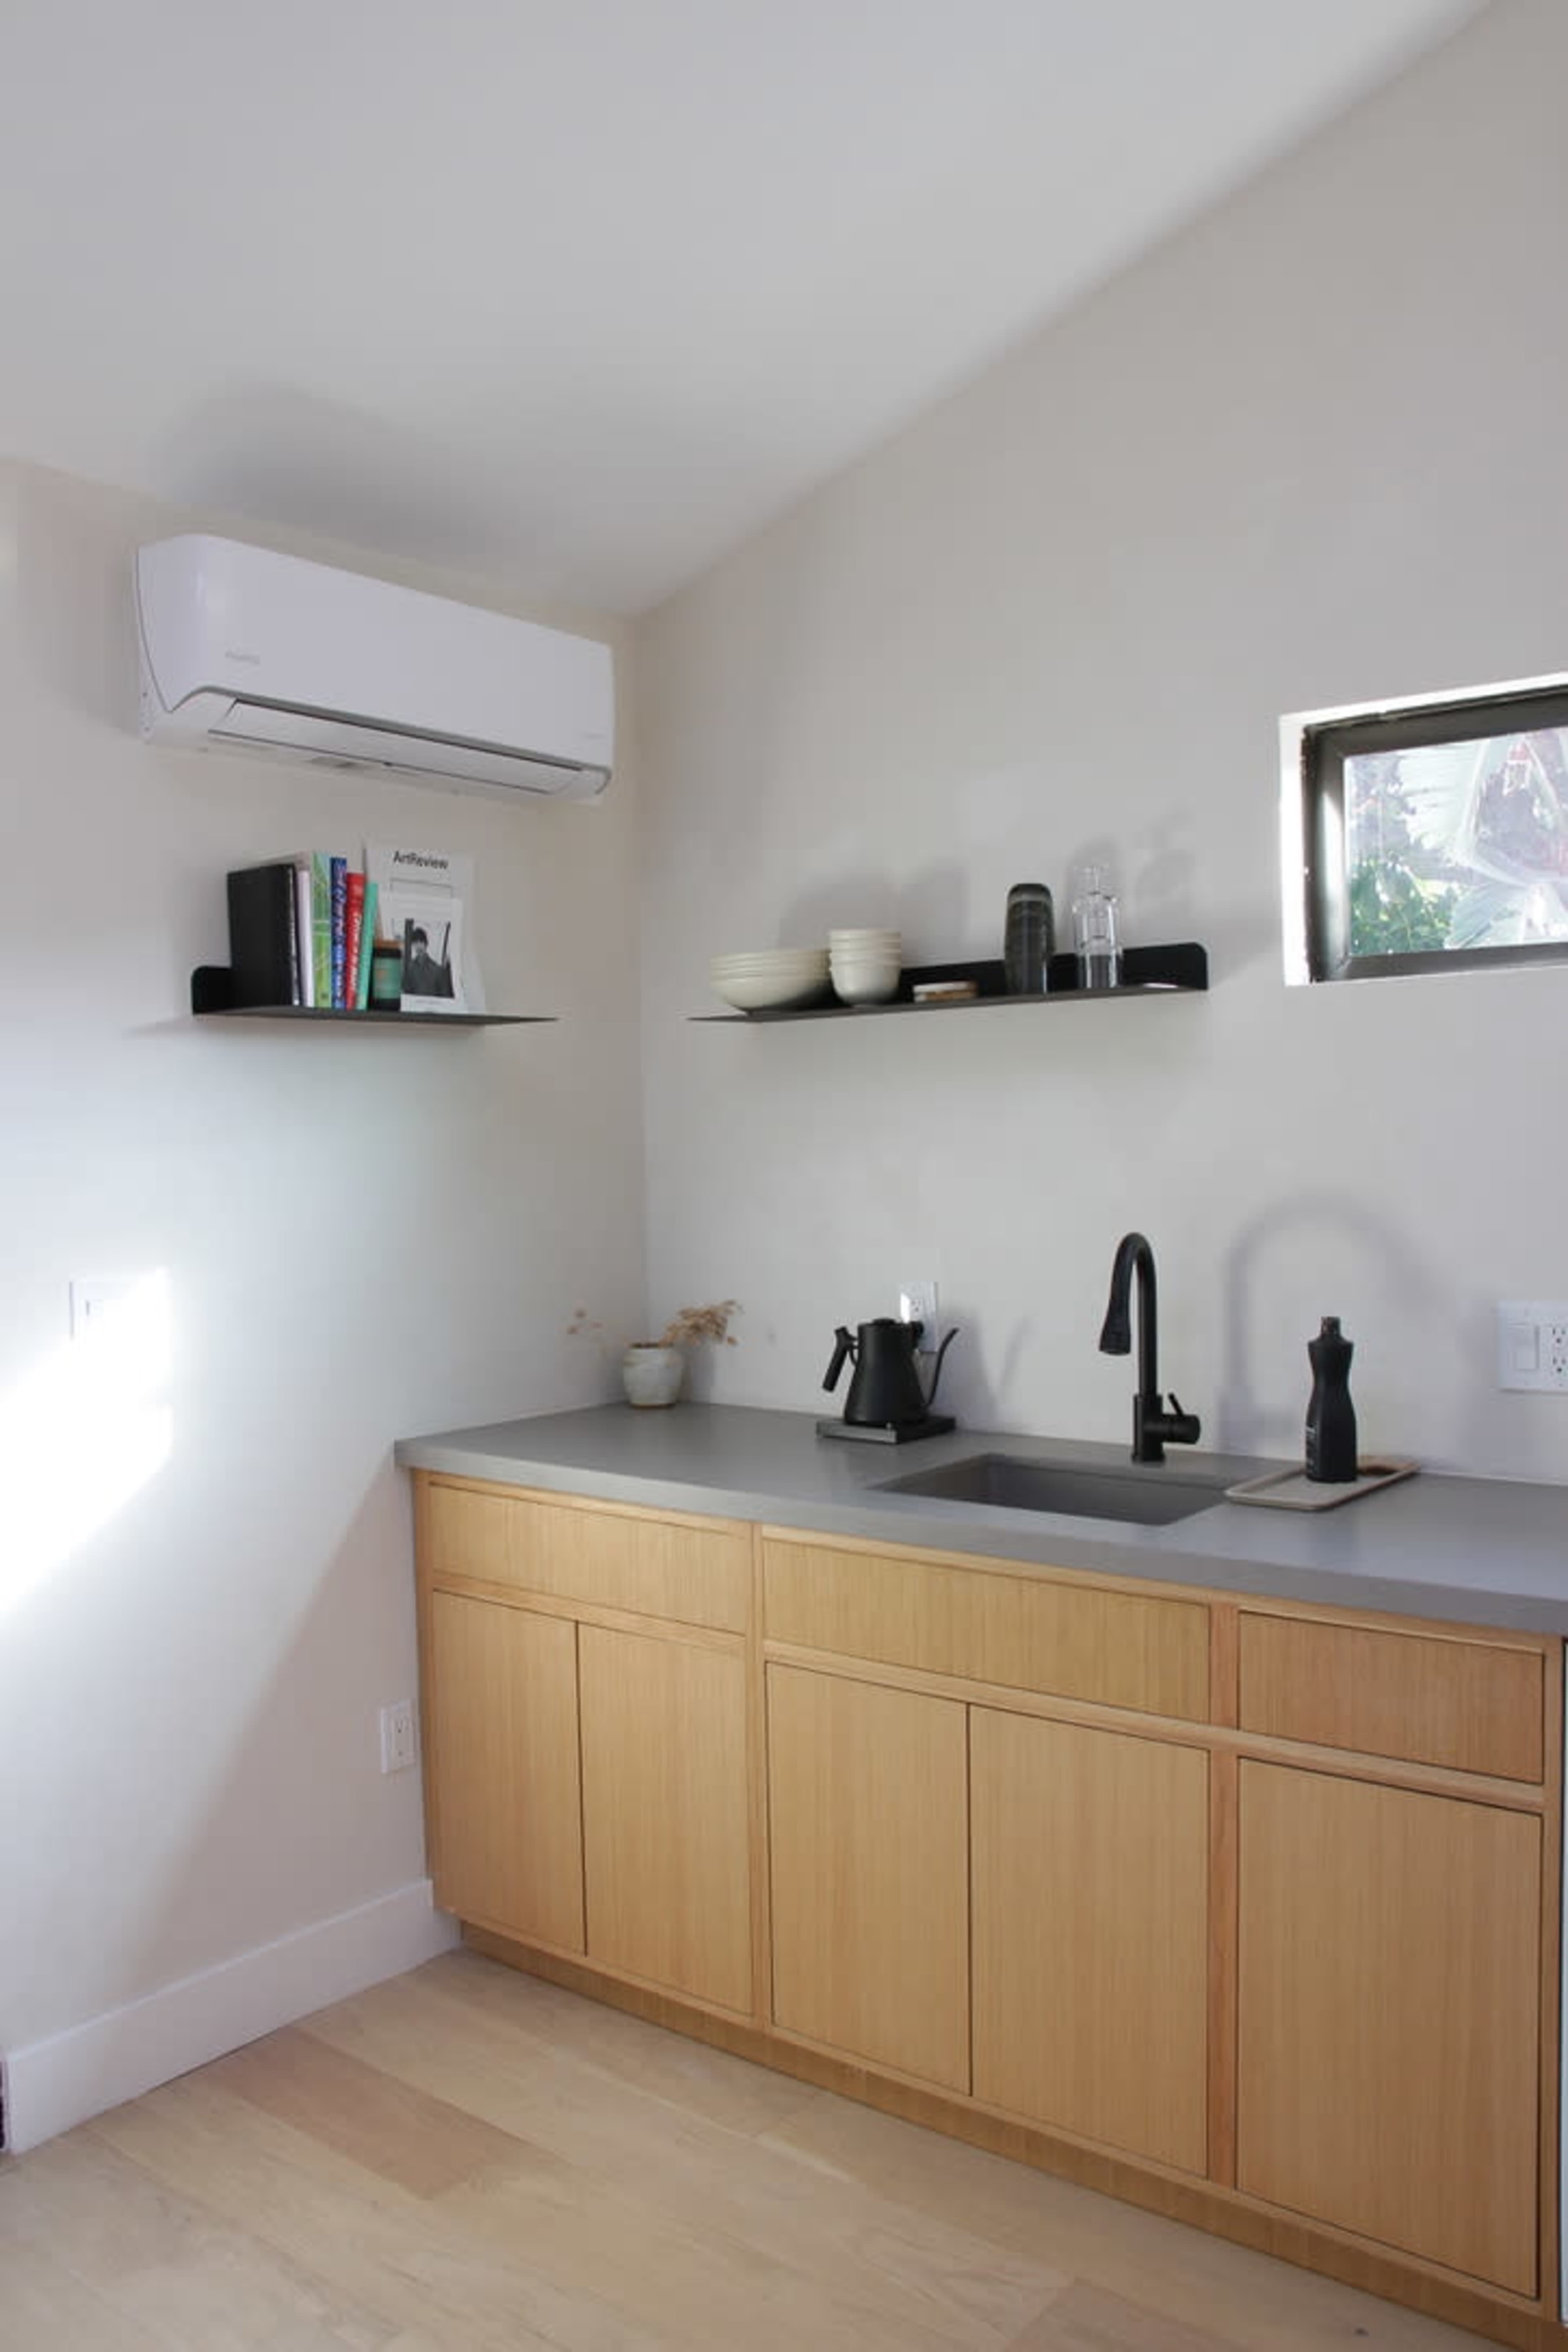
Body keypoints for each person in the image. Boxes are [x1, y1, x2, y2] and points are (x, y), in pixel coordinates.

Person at [401, 922, 453, 997]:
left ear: (426, 944)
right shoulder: (411, 968)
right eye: (415, 943)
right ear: (413, 946)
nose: (418, 946)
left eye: (421, 942)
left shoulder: (437, 970)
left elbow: (444, 996)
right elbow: (407, 992)